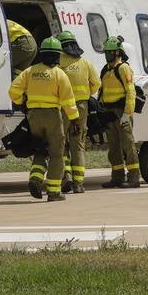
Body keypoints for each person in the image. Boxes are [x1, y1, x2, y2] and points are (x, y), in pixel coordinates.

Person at [9, 36, 80, 202]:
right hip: (52, 116)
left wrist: (22, 103)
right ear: (57, 56)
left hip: (33, 116)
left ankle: (35, 179)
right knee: (56, 153)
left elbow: (13, 91)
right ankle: (54, 192)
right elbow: (69, 102)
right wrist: (75, 120)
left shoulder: (30, 71)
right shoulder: (59, 74)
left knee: (40, 148)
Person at [57, 30, 101, 194]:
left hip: (63, 107)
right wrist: (86, 94)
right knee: (78, 144)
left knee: (61, 142)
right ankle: (79, 184)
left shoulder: (58, 62)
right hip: (82, 107)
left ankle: (66, 175)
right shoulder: (86, 63)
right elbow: (96, 84)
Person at [99, 35, 140, 188]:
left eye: (109, 52)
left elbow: (131, 92)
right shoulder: (106, 70)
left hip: (121, 112)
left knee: (128, 146)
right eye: (106, 52)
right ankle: (117, 177)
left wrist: (127, 114)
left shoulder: (123, 68)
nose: (107, 55)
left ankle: (134, 178)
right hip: (109, 113)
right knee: (114, 147)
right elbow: (101, 91)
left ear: (117, 53)